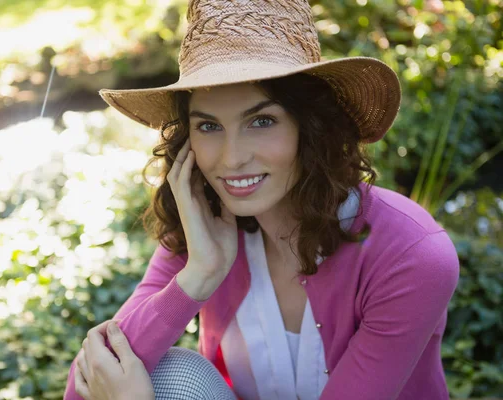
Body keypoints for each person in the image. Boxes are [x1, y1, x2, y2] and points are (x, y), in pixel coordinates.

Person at [64, 0, 460, 399]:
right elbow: (87, 380)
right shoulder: (205, 230)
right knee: (167, 373)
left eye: (262, 121)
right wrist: (199, 274)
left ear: (311, 127)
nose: (232, 158)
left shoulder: (410, 254)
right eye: (209, 126)